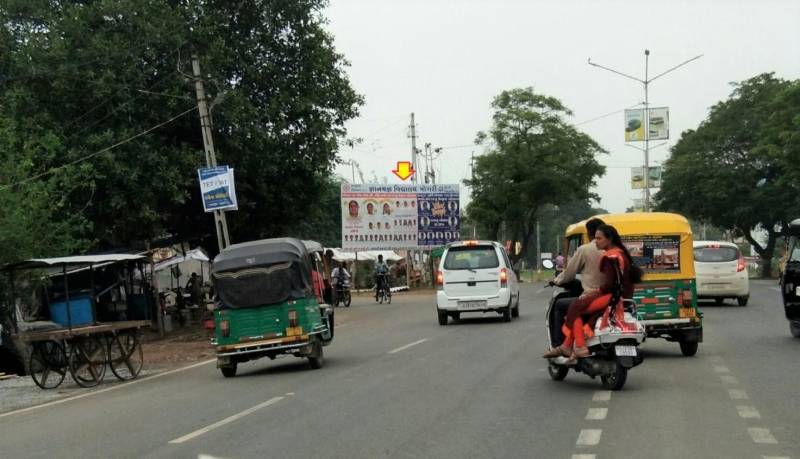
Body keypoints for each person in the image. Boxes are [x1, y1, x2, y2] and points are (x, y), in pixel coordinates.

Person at [545, 224, 642, 361]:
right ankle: (567, 345)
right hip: (621, 297)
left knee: (576, 307)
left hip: (611, 297)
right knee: (578, 306)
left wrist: (597, 291)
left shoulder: (610, 257)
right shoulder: (620, 253)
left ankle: (578, 346)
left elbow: (610, 284)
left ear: (609, 239)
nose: (596, 241)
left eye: (599, 238)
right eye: (596, 238)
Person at [546, 218, 607, 348]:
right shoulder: (614, 251)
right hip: (613, 297)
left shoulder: (585, 249)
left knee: (560, 305)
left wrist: (556, 280)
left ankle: (560, 345)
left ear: (589, 233)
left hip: (593, 297)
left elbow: (569, 273)